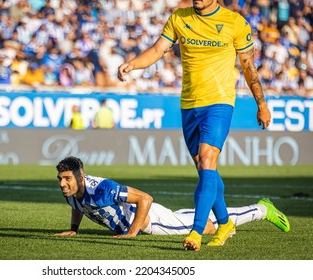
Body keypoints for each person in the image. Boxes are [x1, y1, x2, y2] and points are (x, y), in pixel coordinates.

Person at [117, 0, 271, 251]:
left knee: (208, 159)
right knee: (204, 168)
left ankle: (196, 231)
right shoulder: (180, 18)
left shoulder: (235, 23)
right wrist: (133, 64)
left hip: (219, 103)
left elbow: (248, 66)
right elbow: (157, 50)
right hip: (189, 104)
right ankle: (225, 223)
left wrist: (261, 104)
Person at [54, 156, 290, 239]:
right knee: (201, 218)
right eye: (60, 179)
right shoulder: (72, 191)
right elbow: (79, 205)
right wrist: (74, 228)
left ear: (80, 176)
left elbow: (145, 198)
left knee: (209, 225)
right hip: (147, 220)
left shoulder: (103, 189)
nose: (63, 184)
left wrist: (132, 232)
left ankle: (261, 210)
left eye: (67, 178)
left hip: (152, 222)